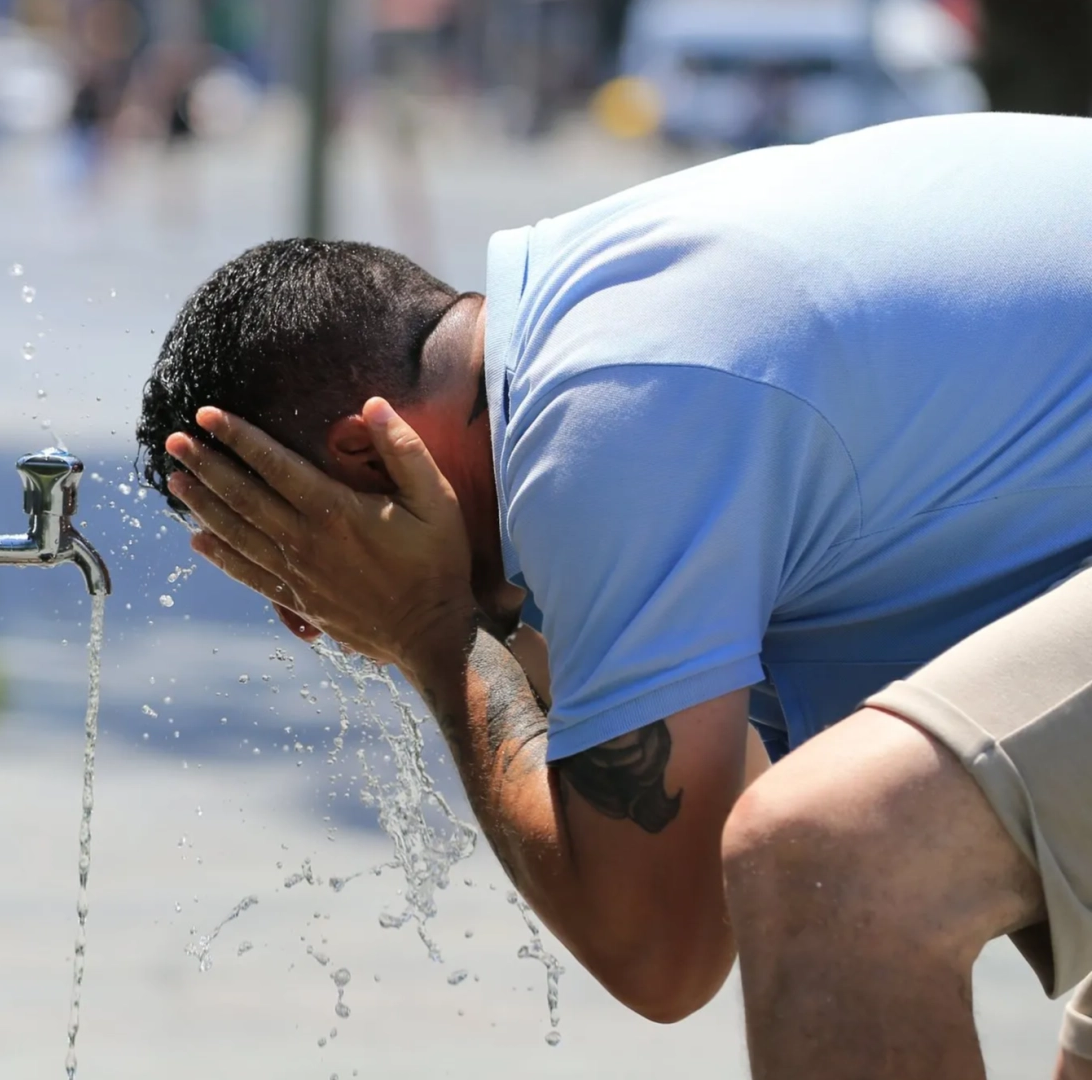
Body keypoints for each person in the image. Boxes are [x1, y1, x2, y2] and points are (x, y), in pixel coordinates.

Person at [133, 112, 1092, 1079]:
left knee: (827, 856)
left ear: (363, 454)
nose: (311, 623)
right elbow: (701, 805)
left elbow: (662, 948)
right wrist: (496, 624)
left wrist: (431, 632)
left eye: (294, 561)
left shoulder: (602, 425)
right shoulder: (587, 315)